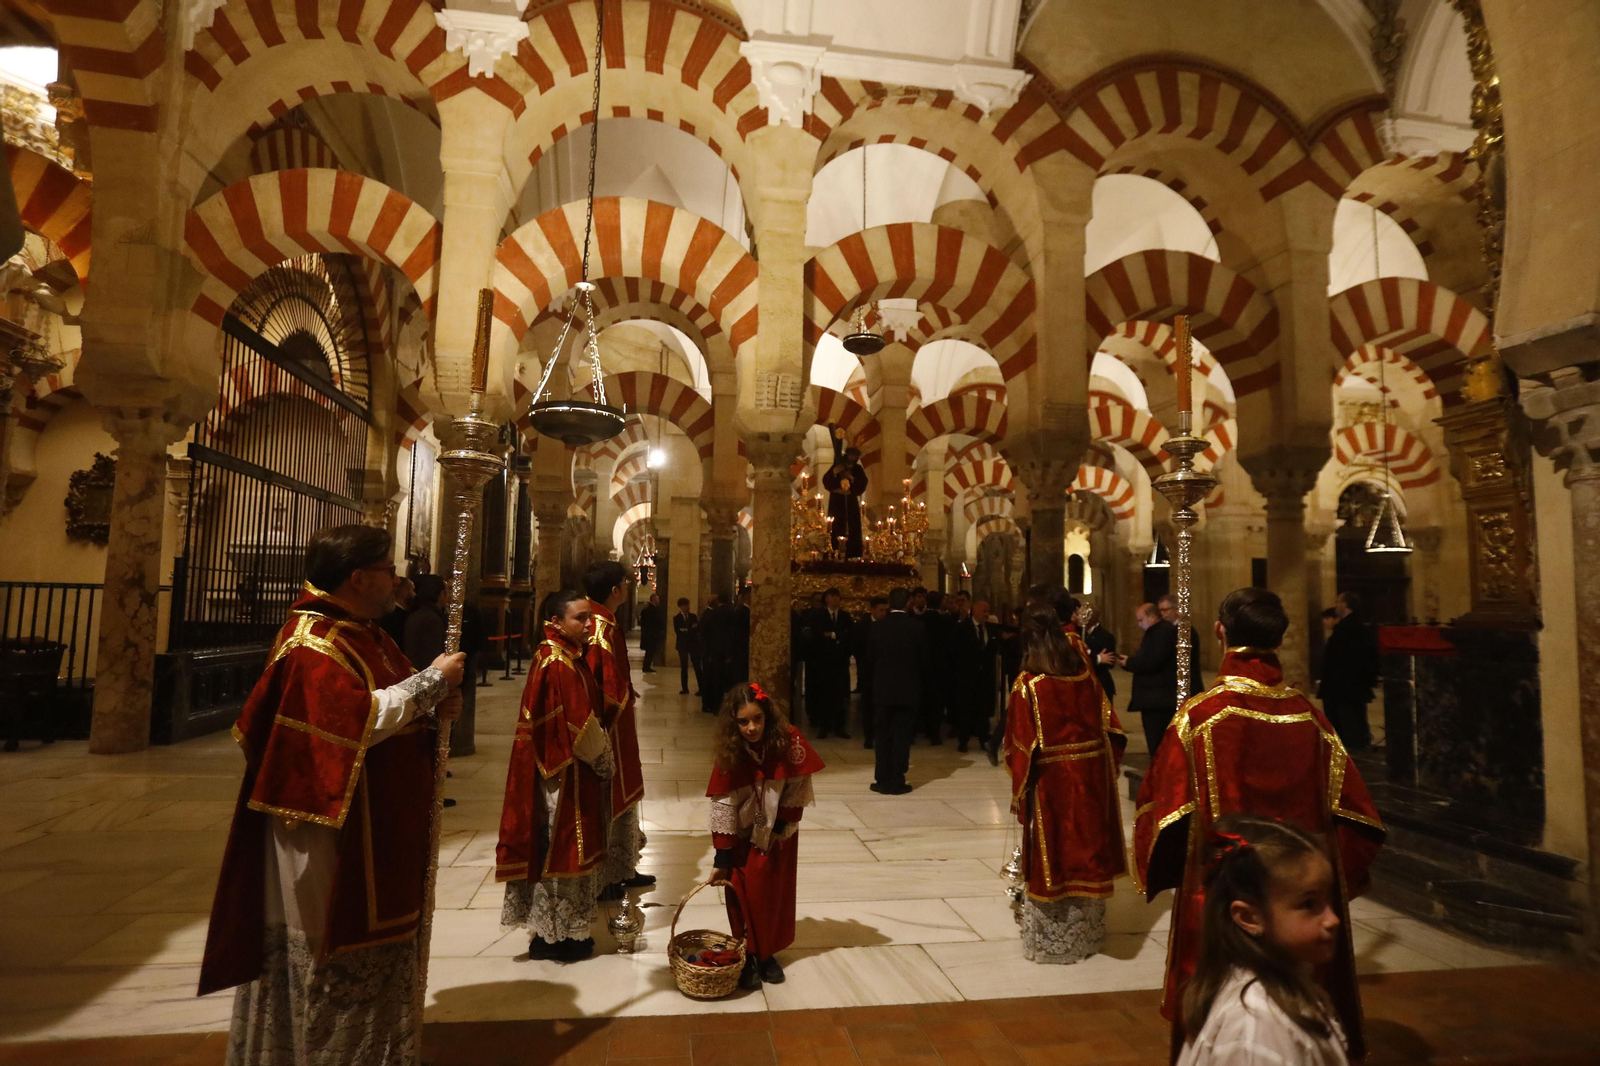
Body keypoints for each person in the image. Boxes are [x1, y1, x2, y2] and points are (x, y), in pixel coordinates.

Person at [198, 525, 465, 1066]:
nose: (397, 579)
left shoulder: (366, 631)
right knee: (332, 943)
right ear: (358, 577)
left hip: (377, 816)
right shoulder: (312, 642)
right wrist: (431, 685)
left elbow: (394, 705)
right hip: (326, 828)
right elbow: (354, 718)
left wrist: (433, 712)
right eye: (389, 570)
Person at [1135, 588, 1384, 1061]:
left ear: (1220, 632)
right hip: (1298, 901)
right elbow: (1358, 817)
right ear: (1279, 638)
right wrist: (1330, 885)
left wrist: (1167, 872)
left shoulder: (1200, 718)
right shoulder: (1312, 720)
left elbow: (1162, 814)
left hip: (1229, 900)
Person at [1176, 815, 1354, 1066]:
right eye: (1309, 904)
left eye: (1329, 898)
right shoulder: (1257, 1028)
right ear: (1249, 917)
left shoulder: (1282, 985)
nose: (1332, 919)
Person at [1004, 605, 1128, 964]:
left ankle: (1053, 942)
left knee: (1055, 853)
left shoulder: (1029, 684)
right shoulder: (1085, 677)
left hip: (1051, 783)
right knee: (1086, 848)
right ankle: (1088, 933)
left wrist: (1020, 788)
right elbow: (1112, 727)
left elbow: (1020, 746)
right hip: (1089, 779)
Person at [497, 589, 614, 961]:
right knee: (561, 852)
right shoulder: (558, 662)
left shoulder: (560, 656)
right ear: (556, 622)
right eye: (579, 618)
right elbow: (581, 728)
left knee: (557, 851)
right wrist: (605, 760)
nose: (588, 624)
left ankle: (558, 932)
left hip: (561, 773)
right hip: (564, 779)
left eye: (588, 616)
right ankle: (555, 937)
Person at [707, 682, 825, 989]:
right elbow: (723, 802)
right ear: (733, 723)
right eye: (743, 721)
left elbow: (799, 784)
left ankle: (767, 954)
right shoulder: (731, 751)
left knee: (771, 894)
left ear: (767, 717)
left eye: (757, 719)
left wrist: (780, 827)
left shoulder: (788, 740)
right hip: (742, 834)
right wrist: (722, 854)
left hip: (776, 834)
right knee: (741, 894)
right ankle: (746, 952)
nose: (751, 727)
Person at [583, 561, 653, 900]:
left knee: (622, 793)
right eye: (625, 582)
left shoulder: (602, 619)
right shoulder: (597, 625)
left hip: (617, 723)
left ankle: (622, 867)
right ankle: (608, 875)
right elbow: (604, 684)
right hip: (607, 728)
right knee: (610, 793)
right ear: (615, 590)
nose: (628, 586)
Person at [1120, 598, 1204, 757]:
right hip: (1163, 695)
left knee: (1163, 744)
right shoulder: (1165, 631)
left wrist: (1131, 662)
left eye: (1165, 610)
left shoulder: (1172, 631)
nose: (1162, 614)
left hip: (1163, 695)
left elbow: (1153, 660)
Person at [868, 587, 927, 795]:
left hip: (882, 690)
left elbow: (869, 660)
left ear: (889, 603)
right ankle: (897, 779)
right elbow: (924, 661)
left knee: (882, 735)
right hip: (907, 691)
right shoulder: (917, 628)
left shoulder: (877, 628)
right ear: (908, 603)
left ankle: (882, 778)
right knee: (902, 736)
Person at [1318, 592, 1380, 752]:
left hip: (1343, 685)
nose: (1336, 605)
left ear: (1345, 605)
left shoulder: (1347, 628)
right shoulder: (1357, 626)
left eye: (1338, 601)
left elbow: (1341, 658)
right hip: (1351, 685)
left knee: (1347, 725)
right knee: (1355, 722)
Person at [950, 599, 1001, 752]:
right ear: (975, 611)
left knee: (983, 708)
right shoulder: (962, 628)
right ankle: (963, 739)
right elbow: (955, 651)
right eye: (983, 611)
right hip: (967, 675)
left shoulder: (991, 629)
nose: (986, 614)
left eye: (988, 611)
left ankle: (983, 738)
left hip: (985, 676)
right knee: (966, 707)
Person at [803, 587, 853, 739]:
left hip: (840, 661)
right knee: (824, 694)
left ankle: (840, 727)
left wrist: (832, 634)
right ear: (827, 599)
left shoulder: (845, 616)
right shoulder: (818, 616)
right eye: (832, 596)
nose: (836, 599)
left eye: (838, 596)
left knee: (840, 695)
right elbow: (817, 636)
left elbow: (849, 635)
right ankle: (824, 726)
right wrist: (836, 636)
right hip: (823, 662)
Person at [822, 426, 867, 558]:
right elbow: (826, 480)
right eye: (850, 454)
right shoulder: (838, 465)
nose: (852, 457)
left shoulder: (857, 469)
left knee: (852, 526)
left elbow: (862, 483)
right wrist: (835, 473)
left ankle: (852, 553)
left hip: (850, 499)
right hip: (837, 500)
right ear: (847, 454)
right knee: (836, 525)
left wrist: (851, 479)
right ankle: (834, 551)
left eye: (854, 455)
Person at [920, 589, 954, 744]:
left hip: (923, 664)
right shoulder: (944, 621)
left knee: (924, 697)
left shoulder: (919, 620)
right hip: (940, 665)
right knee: (937, 700)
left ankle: (925, 728)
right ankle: (934, 732)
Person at [853, 597, 888, 749]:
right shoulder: (863, 626)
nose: (884, 613)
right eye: (881, 610)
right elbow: (857, 647)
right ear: (872, 610)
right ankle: (869, 736)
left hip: (885, 672)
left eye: (886, 610)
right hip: (868, 672)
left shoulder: (888, 626)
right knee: (868, 705)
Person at [1077, 603, 1118, 699]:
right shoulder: (1078, 634)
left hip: (1100, 683)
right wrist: (1096, 657)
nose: (1078, 617)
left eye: (1081, 615)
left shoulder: (1105, 636)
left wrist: (1089, 654)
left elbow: (1109, 662)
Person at [698, 594, 726, 714]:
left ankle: (708, 703)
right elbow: (706, 634)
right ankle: (709, 703)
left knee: (709, 678)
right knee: (711, 678)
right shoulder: (710, 614)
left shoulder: (709, 613)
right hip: (709, 652)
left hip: (709, 652)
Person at [673, 596, 701, 695]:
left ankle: (701, 688)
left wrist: (686, 630)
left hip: (694, 644)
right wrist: (690, 629)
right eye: (685, 606)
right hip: (682, 645)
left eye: (688, 605)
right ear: (680, 607)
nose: (687, 607)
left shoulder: (693, 616)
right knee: (684, 667)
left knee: (697, 666)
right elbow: (679, 632)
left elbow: (697, 629)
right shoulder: (676, 618)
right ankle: (685, 688)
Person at [378, 576, 414, 646]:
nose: (414, 594)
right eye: (412, 590)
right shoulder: (397, 617)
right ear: (405, 592)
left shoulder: (388, 613)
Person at [639, 592, 665, 674]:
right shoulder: (653, 609)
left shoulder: (646, 609)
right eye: (657, 599)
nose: (659, 600)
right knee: (650, 651)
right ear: (653, 599)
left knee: (649, 651)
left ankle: (646, 666)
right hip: (652, 634)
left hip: (648, 634)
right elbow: (657, 621)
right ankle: (646, 666)